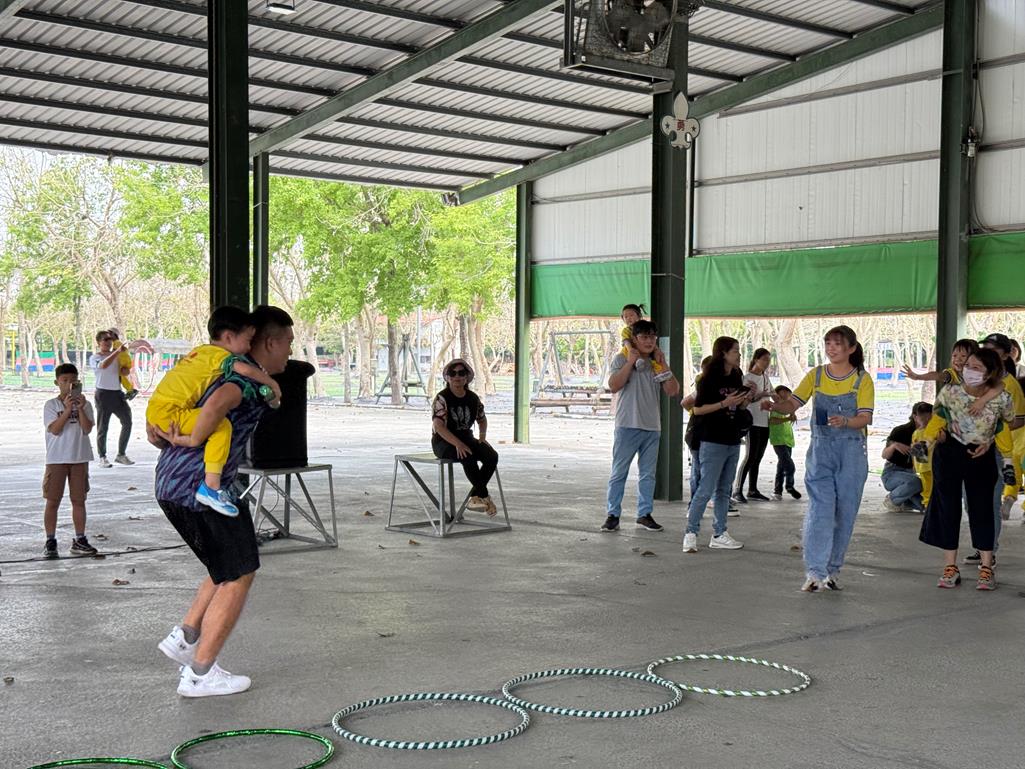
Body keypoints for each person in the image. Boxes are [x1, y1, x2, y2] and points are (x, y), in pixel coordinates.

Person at [150, 305, 294, 698]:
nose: (289, 351)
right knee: (239, 573)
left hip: (176, 483)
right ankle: (200, 673)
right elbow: (220, 401)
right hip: (198, 489)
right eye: (287, 342)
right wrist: (192, 438)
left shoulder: (225, 368)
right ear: (269, 343)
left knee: (228, 565)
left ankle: (186, 636)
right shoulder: (241, 380)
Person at [765, 325, 874, 592]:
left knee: (845, 512)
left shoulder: (862, 379)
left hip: (851, 452)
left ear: (851, 348)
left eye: (837, 343)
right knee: (820, 509)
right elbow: (793, 403)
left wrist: (846, 421)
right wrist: (775, 405)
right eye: (828, 343)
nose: (831, 348)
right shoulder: (815, 376)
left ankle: (832, 570)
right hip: (821, 452)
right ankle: (814, 572)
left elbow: (865, 417)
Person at [145, 306, 281, 517]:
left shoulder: (200, 353)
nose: (248, 346)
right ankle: (210, 487)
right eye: (247, 340)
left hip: (158, 413)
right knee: (221, 425)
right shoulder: (224, 360)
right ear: (228, 337)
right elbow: (226, 392)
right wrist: (272, 384)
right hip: (185, 478)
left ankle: (211, 486)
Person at [917, 348, 1016, 591]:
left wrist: (995, 446)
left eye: (976, 367)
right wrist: (926, 441)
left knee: (982, 509)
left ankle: (986, 567)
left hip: (980, 454)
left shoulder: (1001, 397)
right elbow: (938, 419)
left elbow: (1005, 423)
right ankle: (950, 567)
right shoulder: (950, 392)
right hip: (949, 453)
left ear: (990, 373)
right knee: (948, 509)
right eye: (968, 365)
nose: (969, 370)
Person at [602, 319, 680, 532]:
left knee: (648, 474)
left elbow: (673, 390)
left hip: (652, 427)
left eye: (652, 337)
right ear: (634, 339)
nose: (649, 341)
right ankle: (613, 515)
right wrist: (630, 362)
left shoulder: (656, 363)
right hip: (627, 425)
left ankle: (644, 514)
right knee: (619, 472)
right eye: (644, 337)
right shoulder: (621, 358)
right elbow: (614, 385)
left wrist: (663, 363)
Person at [682, 336, 748, 552]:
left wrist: (745, 400)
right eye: (735, 351)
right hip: (712, 439)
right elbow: (697, 409)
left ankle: (720, 533)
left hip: (733, 439)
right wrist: (724, 403)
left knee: (723, 490)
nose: (739, 354)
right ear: (723, 353)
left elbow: (737, 406)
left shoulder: (737, 375)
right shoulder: (708, 379)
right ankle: (691, 533)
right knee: (705, 488)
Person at [974, 333, 1025, 562]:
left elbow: (1019, 419)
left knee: (991, 502)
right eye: (985, 347)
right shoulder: (980, 380)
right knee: (974, 502)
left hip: (998, 451)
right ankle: (981, 546)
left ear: (1006, 355)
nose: (987, 351)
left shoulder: (1010, 385)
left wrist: (993, 428)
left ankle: (989, 551)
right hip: (975, 448)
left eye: (993, 348)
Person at [42, 364, 97, 558]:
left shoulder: (86, 404)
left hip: (79, 457)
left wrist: (79, 408)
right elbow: (55, 429)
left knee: (79, 500)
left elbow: (87, 428)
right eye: (64, 381)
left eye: (73, 381)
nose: (68, 385)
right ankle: (50, 540)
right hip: (57, 458)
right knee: (52, 500)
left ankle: (80, 538)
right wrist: (67, 410)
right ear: (57, 382)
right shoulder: (51, 405)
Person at [431, 358, 499, 516]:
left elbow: (482, 419)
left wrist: (482, 437)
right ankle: (484, 496)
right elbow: (439, 426)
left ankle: (476, 497)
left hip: (466, 437)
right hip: (443, 441)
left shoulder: (473, 398)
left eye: (461, 373)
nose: (457, 376)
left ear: (467, 377)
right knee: (467, 455)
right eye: (453, 373)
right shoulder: (442, 398)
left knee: (491, 456)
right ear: (447, 377)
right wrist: (458, 444)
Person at [89, 329, 140, 468]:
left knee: (127, 422)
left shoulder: (118, 355)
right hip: (103, 394)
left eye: (110, 339)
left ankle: (121, 454)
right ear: (99, 342)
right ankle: (102, 457)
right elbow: (103, 365)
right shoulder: (95, 357)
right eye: (105, 339)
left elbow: (124, 371)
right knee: (103, 427)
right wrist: (117, 352)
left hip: (117, 393)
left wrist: (125, 369)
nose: (108, 342)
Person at [733, 348, 774, 503]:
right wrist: (760, 395)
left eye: (769, 360)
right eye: (764, 359)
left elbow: (773, 394)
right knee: (750, 456)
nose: (767, 363)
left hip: (764, 422)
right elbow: (744, 401)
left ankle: (752, 489)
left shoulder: (765, 378)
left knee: (758, 457)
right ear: (756, 359)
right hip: (752, 422)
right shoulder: (747, 378)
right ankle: (737, 490)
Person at [881, 406, 926, 512]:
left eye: (930, 418)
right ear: (915, 417)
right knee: (916, 482)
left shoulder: (925, 434)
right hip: (892, 473)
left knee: (925, 504)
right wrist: (894, 446)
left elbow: (922, 461)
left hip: (911, 473)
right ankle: (892, 499)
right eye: (924, 418)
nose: (927, 421)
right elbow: (884, 455)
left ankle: (906, 502)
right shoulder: (900, 431)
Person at [619, 304, 672, 383]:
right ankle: (631, 369)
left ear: (639, 316)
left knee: (654, 359)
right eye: (625, 317)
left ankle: (659, 373)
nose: (628, 318)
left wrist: (657, 350)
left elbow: (651, 341)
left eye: (631, 315)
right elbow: (626, 342)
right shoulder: (626, 331)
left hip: (645, 353)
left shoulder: (645, 328)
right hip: (631, 351)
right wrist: (631, 351)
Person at [768, 385, 801, 501]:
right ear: (780, 393)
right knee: (790, 466)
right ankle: (789, 486)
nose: (788, 395)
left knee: (781, 466)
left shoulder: (787, 408)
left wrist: (792, 414)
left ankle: (777, 491)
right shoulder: (775, 407)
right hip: (778, 440)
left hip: (787, 440)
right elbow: (772, 420)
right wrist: (787, 418)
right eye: (786, 393)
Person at [910, 402, 934, 511]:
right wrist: (914, 465)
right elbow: (914, 451)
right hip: (923, 466)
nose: (925, 420)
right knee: (927, 488)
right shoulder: (916, 433)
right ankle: (928, 506)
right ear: (916, 417)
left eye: (928, 417)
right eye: (922, 417)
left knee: (931, 487)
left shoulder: (934, 431)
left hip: (932, 465)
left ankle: (930, 506)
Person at [107, 328, 139, 401]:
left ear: (114, 334)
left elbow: (115, 353)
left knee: (120, 378)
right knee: (121, 378)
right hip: (122, 363)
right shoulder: (116, 343)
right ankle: (130, 390)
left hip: (123, 363)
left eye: (109, 334)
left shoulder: (117, 342)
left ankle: (131, 390)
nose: (108, 336)